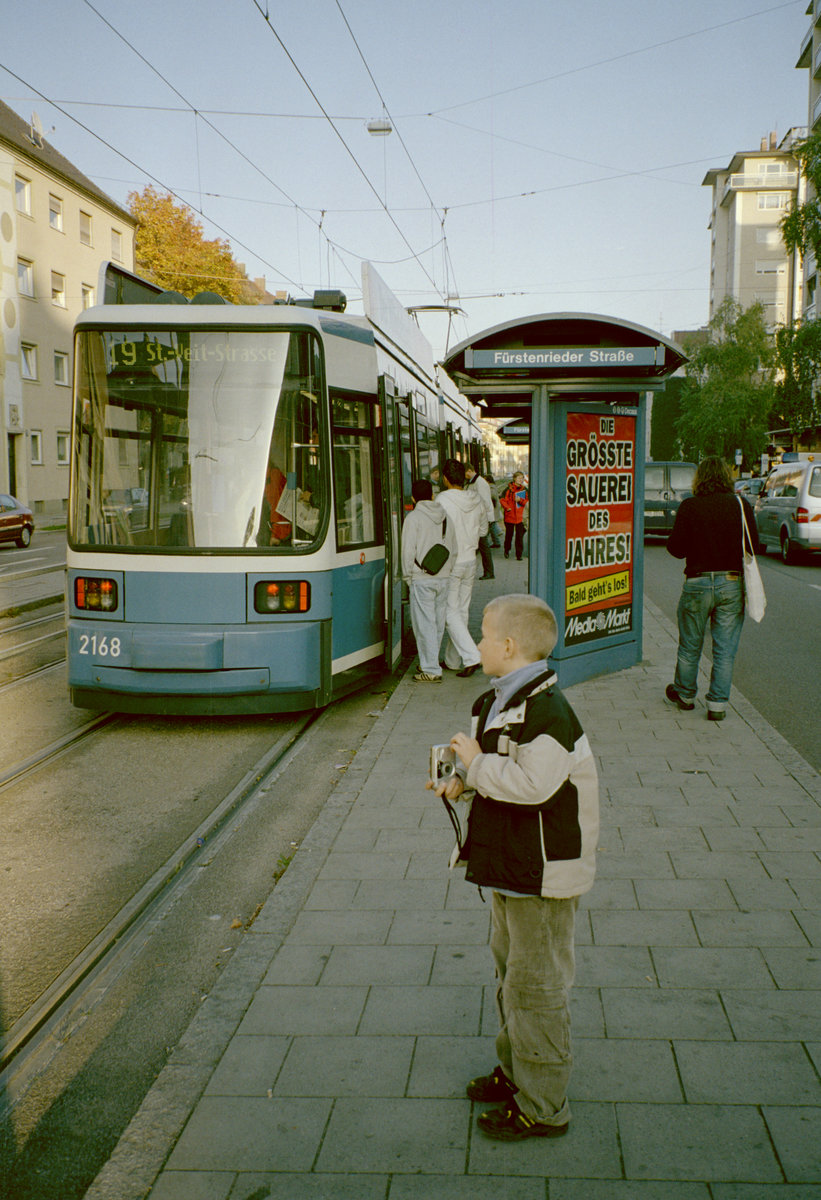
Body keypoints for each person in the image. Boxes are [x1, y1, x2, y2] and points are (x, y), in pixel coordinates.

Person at [429, 594, 599, 1141]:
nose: (475, 643)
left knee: (538, 987)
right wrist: (464, 781)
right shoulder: (497, 701)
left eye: (482, 634)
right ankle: (516, 1070)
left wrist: (477, 764)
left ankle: (545, 1105)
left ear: (508, 646)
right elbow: (501, 773)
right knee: (512, 977)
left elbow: (533, 786)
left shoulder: (549, 712)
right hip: (510, 867)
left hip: (541, 877)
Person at [665, 455, 757, 721]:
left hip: (697, 583)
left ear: (700, 478)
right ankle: (717, 703)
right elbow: (753, 546)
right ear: (727, 478)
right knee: (725, 649)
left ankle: (684, 694)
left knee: (690, 644)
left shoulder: (690, 506)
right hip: (731, 583)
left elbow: (675, 549)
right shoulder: (740, 505)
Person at [401, 478, 458, 682]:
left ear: (413, 498)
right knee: (437, 622)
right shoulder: (445, 517)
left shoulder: (413, 518)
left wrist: (408, 577)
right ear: (432, 496)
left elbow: (408, 550)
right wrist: (447, 571)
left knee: (424, 624)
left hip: (422, 578)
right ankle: (430, 661)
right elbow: (454, 548)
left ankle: (431, 669)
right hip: (443, 578)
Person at [436, 458, 488, 677]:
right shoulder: (475, 499)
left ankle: (472, 657)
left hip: (451, 562)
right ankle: (453, 660)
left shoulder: (441, 500)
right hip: (470, 561)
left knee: (449, 613)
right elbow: (484, 531)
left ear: (446, 479)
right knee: (461, 611)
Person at [465, 463, 496, 579]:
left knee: (484, 546)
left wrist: (486, 519)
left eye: (465, 473)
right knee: (483, 546)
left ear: (469, 470)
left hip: (483, 519)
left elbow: (486, 502)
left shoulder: (480, 483)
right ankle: (488, 571)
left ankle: (489, 572)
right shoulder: (474, 482)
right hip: (481, 518)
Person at [500, 472, 528, 561]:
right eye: (519, 478)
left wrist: (520, 500)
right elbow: (502, 499)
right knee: (509, 535)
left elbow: (527, 502)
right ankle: (507, 550)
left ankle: (519, 554)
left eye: (522, 478)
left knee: (519, 537)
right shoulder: (508, 489)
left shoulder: (525, 490)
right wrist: (507, 508)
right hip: (510, 516)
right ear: (514, 479)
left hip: (520, 517)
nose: (521, 480)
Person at [486, 473, 503, 547]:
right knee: (492, 526)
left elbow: (492, 497)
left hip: (493, 510)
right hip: (494, 509)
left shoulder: (491, 488)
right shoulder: (493, 487)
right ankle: (497, 540)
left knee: (491, 526)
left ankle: (497, 542)